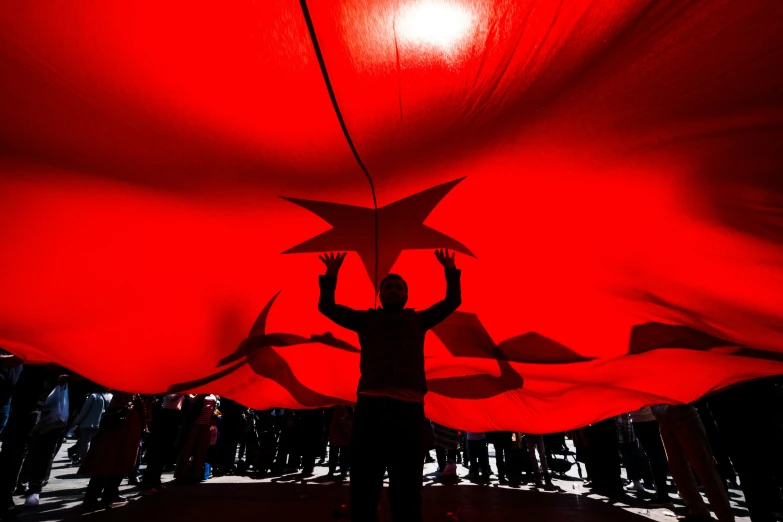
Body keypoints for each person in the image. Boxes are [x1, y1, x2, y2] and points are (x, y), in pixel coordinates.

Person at [318, 249, 462, 522]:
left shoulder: (417, 320)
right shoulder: (367, 319)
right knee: (363, 486)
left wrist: (450, 270)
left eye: (398, 288)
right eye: (388, 287)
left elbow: (452, 301)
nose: (393, 290)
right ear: (380, 295)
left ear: (406, 296)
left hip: (408, 414)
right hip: (370, 412)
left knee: (407, 488)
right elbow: (327, 308)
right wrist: (331, 275)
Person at [652, 404, 735, 522]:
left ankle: (724, 516)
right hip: (664, 419)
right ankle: (697, 510)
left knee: (704, 469)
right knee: (679, 471)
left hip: (684, 416)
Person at [79, 392, 149, 506]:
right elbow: (118, 407)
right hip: (117, 433)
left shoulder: (137, 396)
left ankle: (110, 493)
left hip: (128, 434)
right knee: (106, 464)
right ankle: (92, 498)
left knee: (120, 463)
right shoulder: (125, 393)